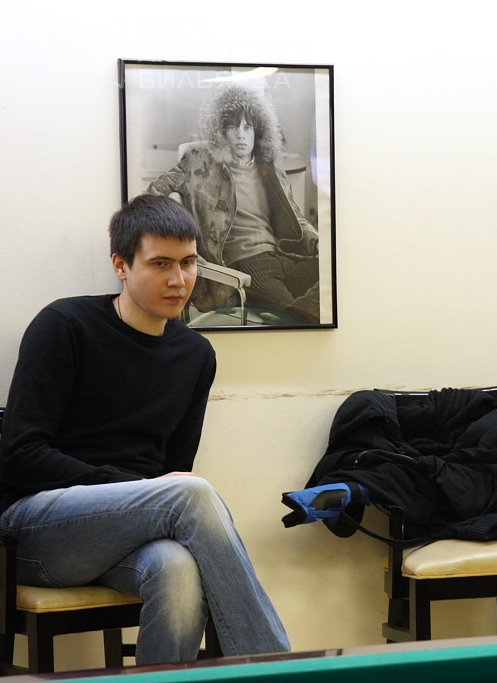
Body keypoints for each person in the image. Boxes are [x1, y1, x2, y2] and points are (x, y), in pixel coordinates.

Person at [0, 195, 290, 663]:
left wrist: (150, 494)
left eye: (188, 262)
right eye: (160, 264)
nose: (179, 280)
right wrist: (138, 489)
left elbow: (173, 469)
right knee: (190, 493)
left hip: (133, 531)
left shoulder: (195, 356)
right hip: (36, 533)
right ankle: (274, 667)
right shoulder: (65, 325)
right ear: (121, 265)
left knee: (178, 569)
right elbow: (20, 455)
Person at [148, 85, 320, 324]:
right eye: (233, 127)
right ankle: (296, 314)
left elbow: (297, 218)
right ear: (221, 132)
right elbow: (153, 195)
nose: (241, 135)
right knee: (297, 319)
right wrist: (184, 247)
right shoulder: (199, 162)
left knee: (334, 271)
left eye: (247, 127)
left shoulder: (271, 169)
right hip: (249, 264)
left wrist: (316, 241)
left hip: (285, 256)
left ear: (258, 131)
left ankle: (298, 311)